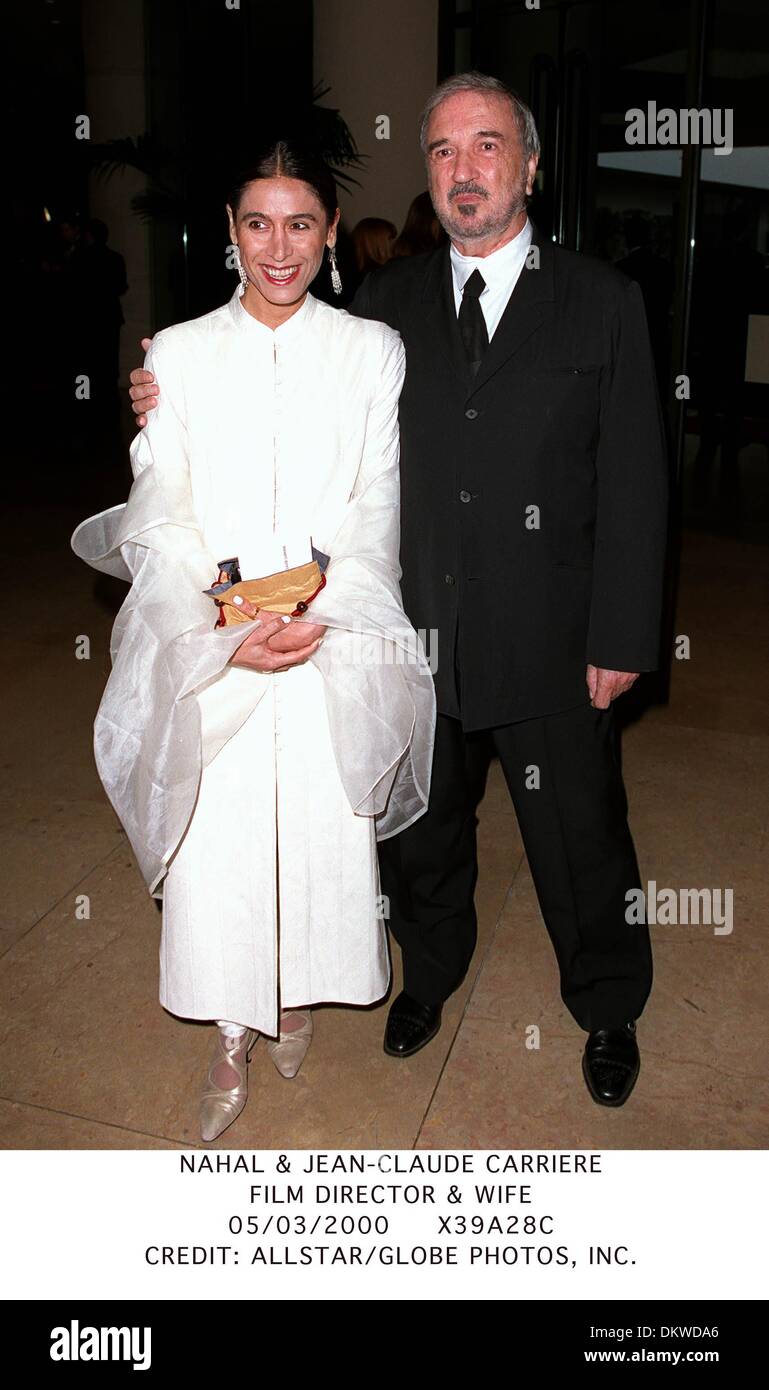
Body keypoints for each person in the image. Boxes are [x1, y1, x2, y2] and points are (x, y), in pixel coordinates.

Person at [129, 73, 670, 1110]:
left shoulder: (602, 300)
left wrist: (624, 633)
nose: (464, 169)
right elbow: (275, 370)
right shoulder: (385, 305)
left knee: (580, 831)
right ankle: (430, 973)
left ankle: (607, 1002)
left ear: (529, 165)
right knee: (422, 832)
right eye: (442, 152)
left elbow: (638, 483)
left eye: (486, 146)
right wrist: (156, 382)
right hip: (411, 627)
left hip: (555, 634)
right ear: (426, 172)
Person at [72, 140, 435, 1142]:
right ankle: (229, 1028)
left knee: (319, 824)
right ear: (230, 232)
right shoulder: (177, 356)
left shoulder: (370, 352)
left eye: (302, 223)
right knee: (220, 837)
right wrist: (221, 630)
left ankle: (296, 992)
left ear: (328, 236)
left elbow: (376, 501)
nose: (281, 248)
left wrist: (328, 610)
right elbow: (162, 506)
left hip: (328, 625)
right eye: (259, 223)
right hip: (214, 636)